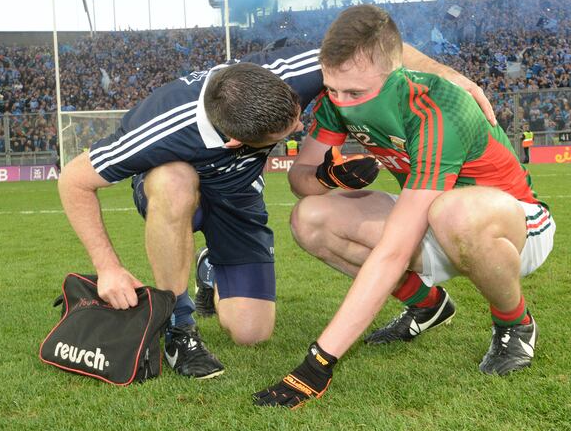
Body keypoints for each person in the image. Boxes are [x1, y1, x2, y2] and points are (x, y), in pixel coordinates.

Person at [58, 41, 496, 380]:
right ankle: (178, 327)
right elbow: (73, 181)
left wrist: (450, 76)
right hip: (173, 190)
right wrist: (108, 267)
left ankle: (210, 264)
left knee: (252, 332)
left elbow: (376, 45)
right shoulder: (157, 130)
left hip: (236, 195)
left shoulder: (290, 74)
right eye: (287, 132)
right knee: (174, 181)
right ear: (236, 142)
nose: (301, 125)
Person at [254, 5, 556, 409]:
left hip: (512, 223)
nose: (342, 103)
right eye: (334, 89)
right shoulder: (339, 97)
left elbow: (395, 249)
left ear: (395, 72)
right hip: (430, 212)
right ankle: (427, 306)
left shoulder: (434, 106)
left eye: (356, 93)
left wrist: (318, 363)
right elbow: (300, 178)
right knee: (310, 217)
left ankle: (514, 323)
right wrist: (329, 178)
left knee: (452, 212)